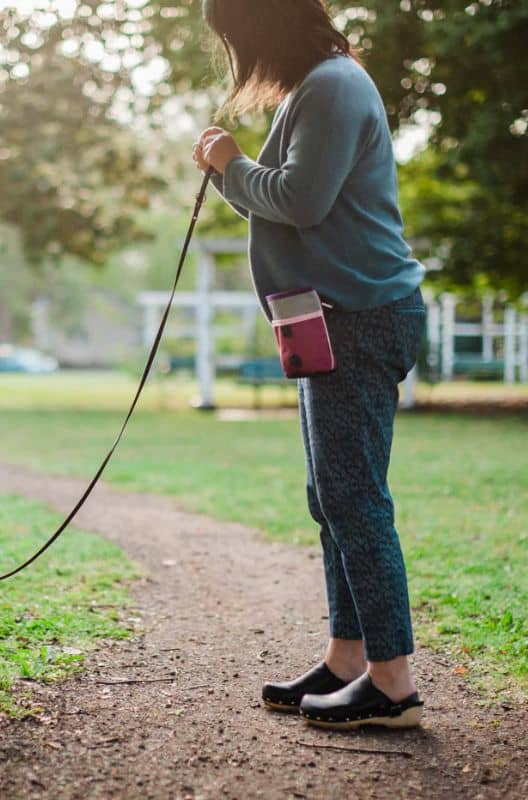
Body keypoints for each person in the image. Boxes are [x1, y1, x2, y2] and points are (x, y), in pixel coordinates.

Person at [193, 0, 427, 729]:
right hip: (330, 319)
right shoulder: (318, 86)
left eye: (235, 38)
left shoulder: (331, 84)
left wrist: (232, 164)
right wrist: (235, 173)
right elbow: (293, 204)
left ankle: (392, 684)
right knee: (331, 496)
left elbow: (299, 198)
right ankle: (348, 659)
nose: (237, 57)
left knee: (354, 498)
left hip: (359, 317)